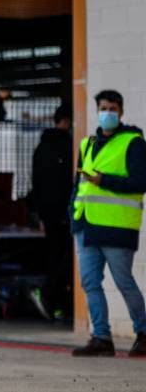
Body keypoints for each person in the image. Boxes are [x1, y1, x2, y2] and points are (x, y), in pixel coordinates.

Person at [71, 90, 146, 357]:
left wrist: (105, 181)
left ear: (121, 112)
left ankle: (144, 332)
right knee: (90, 283)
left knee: (124, 281)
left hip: (117, 227)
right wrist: (73, 215)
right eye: (103, 108)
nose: (108, 113)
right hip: (86, 225)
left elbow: (140, 182)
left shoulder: (133, 142)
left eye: (112, 108)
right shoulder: (87, 144)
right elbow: (79, 184)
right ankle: (101, 337)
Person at [30, 104, 74, 320]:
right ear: (67, 121)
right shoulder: (69, 146)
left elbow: (35, 182)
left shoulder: (41, 148)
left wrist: (38, 213)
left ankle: (54, 301)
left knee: (54, 255)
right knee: (68, 258)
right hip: (66, 211)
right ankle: (53, 297)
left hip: (47, 213)